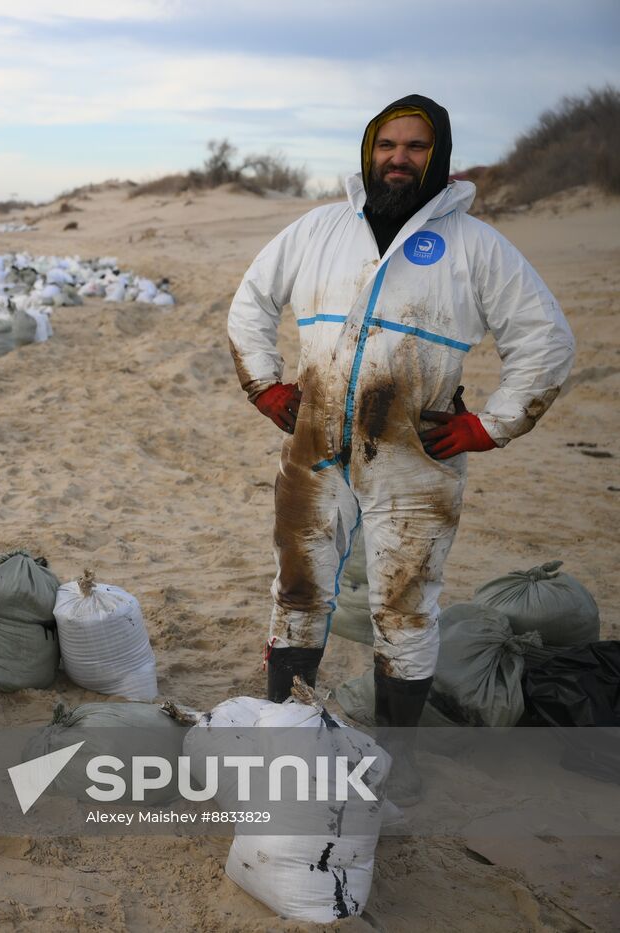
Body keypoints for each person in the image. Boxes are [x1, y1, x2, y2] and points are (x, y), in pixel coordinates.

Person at [226, 95, 575, 803]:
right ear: (368, 151)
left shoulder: (476, 246)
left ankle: (400, 760)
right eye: (388, 145)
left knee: (405, 609)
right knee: (297, 593)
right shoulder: (320, 229)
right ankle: (287, 725)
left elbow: (546, 341)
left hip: (417, 463)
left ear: (438, 156)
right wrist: (265, 387)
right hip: (314, 451)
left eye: (416, 147)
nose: (399, 159)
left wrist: (491, 425)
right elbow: (250, 302)